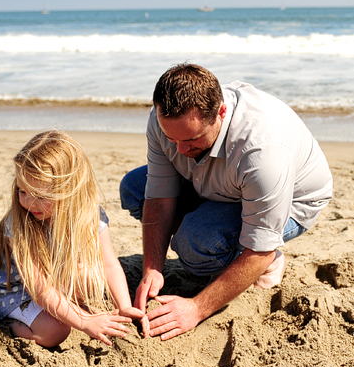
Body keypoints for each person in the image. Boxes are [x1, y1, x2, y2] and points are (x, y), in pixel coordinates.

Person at [120, 63, 333, 340]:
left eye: (192, 140)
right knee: (134, 189)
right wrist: (152, 269)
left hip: (292, 201)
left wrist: (196, 308)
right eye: (172, 139)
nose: (181, 150)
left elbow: (260, 249)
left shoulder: (262, 150)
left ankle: (266, 262)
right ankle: (216, 235)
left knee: (195, 243)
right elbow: (159, 195)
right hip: (222, 181)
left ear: (221, 112)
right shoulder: (165, 120)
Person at [0, 130, 141, 347]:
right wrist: (84, 320)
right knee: (55, 331)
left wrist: (124, 305)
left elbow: (109, 265)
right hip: (10, 292)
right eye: (22, 191)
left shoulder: (89, 215)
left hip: (48, 280)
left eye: (41, 196)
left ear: (70, 190)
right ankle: (8, 324)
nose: (29, 203)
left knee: (90, 275)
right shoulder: (20, 223)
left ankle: (58, 310)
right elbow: (38, 286)